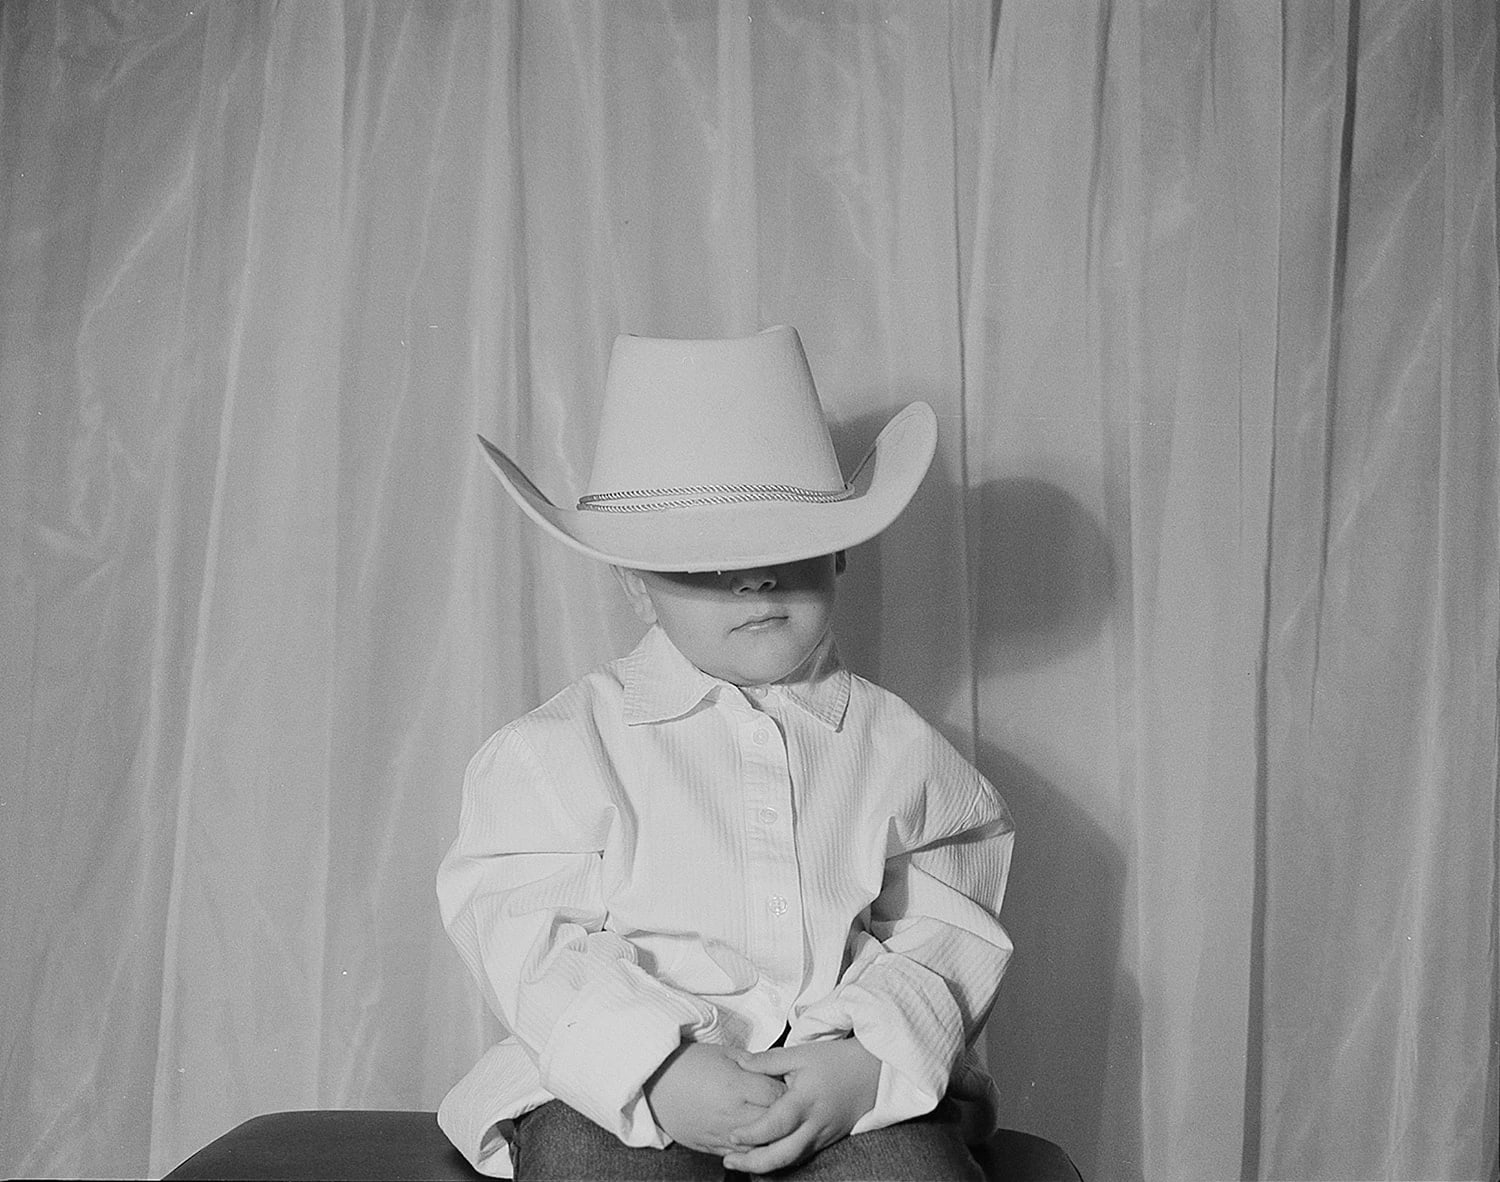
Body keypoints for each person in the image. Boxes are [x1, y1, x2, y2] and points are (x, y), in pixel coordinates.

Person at [438, 326, 1015, 1180]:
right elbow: (528, 940)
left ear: (841, 551)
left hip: (835, 1069)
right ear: (635, 584)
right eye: (704, 562)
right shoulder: (553, 753)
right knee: (592, 1164)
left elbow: (945, 929)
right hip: (624, 1085)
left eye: (786, 545)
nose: (754, 579)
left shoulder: (901, 751)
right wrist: (655, 1067)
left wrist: (863, 1063)